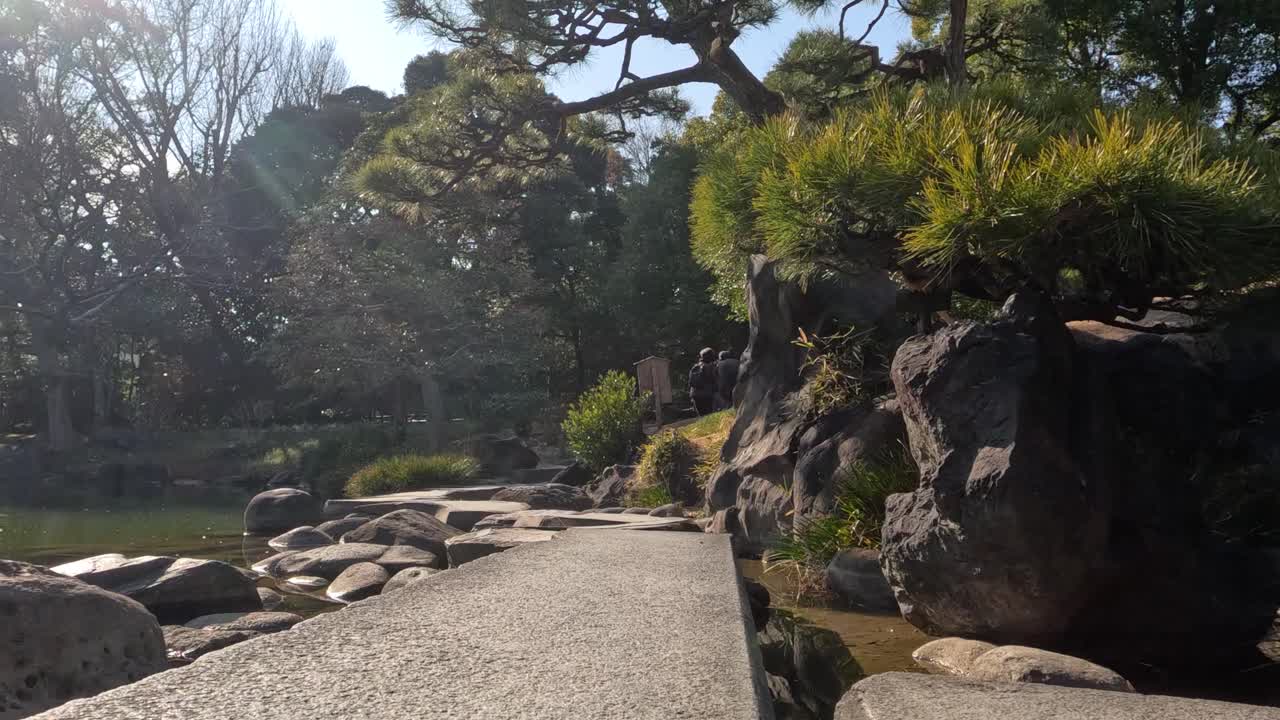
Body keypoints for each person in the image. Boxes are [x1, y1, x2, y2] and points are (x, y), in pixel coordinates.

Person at [688, 347, 718, 416]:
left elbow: (690, 381)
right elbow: (714, 379)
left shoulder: (695, 367)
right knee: (710, 415)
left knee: (702, 416)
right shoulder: (711, 366)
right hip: (707, 394)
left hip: (695, 394)